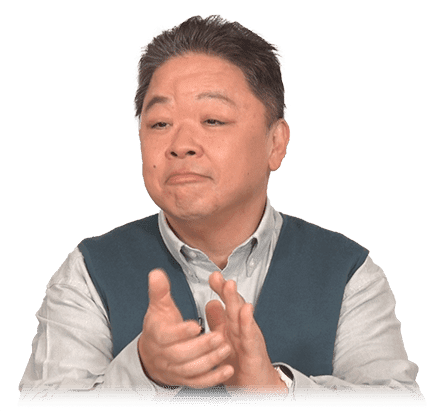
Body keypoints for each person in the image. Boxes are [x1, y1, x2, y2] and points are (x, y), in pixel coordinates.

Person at [18, 15, 425, 406]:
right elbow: (46, 402)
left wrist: (274, 391)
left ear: (276, 143)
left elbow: (396, 400)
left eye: (212, 120)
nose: (181, 145)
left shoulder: (348, 272)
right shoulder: (89, 271)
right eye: (159, 123)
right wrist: (144, 372)